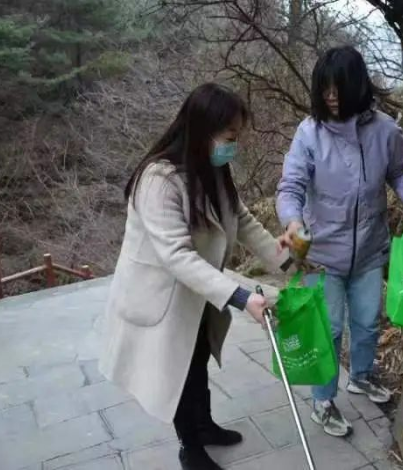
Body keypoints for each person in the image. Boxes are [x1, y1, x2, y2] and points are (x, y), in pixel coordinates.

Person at [99, 83, 291, 470]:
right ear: (203, 129)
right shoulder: (159, 180)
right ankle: (191, 448)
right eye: (230, 137)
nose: (233, 146)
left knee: (198, 359)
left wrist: (283, 258)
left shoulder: (212, 169)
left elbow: (241, 219)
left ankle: (204, 426)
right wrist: (241, 297)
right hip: (162, 297)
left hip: (198, 291)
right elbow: (176, 255)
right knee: (180, 373)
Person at [276, 46, 403, 438]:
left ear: (358, 85)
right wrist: (293, 222)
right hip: (321, 254)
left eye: (340, 87)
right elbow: (291, 186)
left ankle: (362, 376)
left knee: (367, 322)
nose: (332, 96)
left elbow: (401, 174)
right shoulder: (309, 133)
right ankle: (323, 401)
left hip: (368, 249)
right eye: (325, 88)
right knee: (329, 330)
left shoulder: (385, 130)